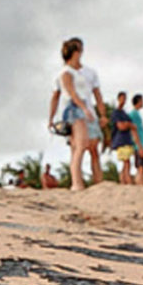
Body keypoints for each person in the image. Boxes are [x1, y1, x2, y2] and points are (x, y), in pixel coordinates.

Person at [47, 39, 93, 191]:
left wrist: (51, 118)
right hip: (74, 108)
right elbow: (71, 93)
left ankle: (76, 182)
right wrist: (84, 109)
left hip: (72, 108)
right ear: (75, 53)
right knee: (80, 145)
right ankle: (77, 183)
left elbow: (55, 97)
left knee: (76, 147)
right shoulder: (67, 73)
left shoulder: (70, 72)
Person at [71, 38, 107, 184]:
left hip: (90, 114)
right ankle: (77, 183)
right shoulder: (66, 73)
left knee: (93, 149)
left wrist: (103, 114)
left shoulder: (90, 72)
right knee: (76, 149)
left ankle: (98, 182)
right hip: (74, 114)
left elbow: (98, 95)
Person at [109, 91, 143, 185]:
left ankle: (124, 180)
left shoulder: (124, 113)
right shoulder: (116, 113)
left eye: (125, 98)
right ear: (119, 99)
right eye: (122, 98)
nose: (124, 100)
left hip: (127, 140)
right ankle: (127, 181)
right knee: (126, 162)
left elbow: (132, 126)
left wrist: (128, 125)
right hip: (120, 140)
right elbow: (121, 126)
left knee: (126, 162)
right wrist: (128, 125)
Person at [129, 93, 143, 186]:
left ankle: (141, 184)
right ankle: (140, 184)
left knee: (142, 166)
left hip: (142, 143)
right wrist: (139, 146)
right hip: (140, 144)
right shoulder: (133, 114)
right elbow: (133, 131)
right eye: (142, 100)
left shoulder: (137, 113)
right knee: (140, 166)